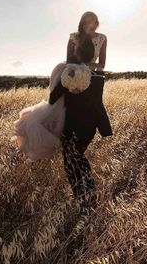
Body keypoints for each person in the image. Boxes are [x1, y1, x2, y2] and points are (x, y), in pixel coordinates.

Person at [50, 35, 113, 212]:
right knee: (79, 159)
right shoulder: (98, 79)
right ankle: (89, 198)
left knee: (71, 162)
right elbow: (97, 102)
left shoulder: (68, 74)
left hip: (71, 124)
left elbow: (53, 98)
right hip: (90, 126)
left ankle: (86, 201)